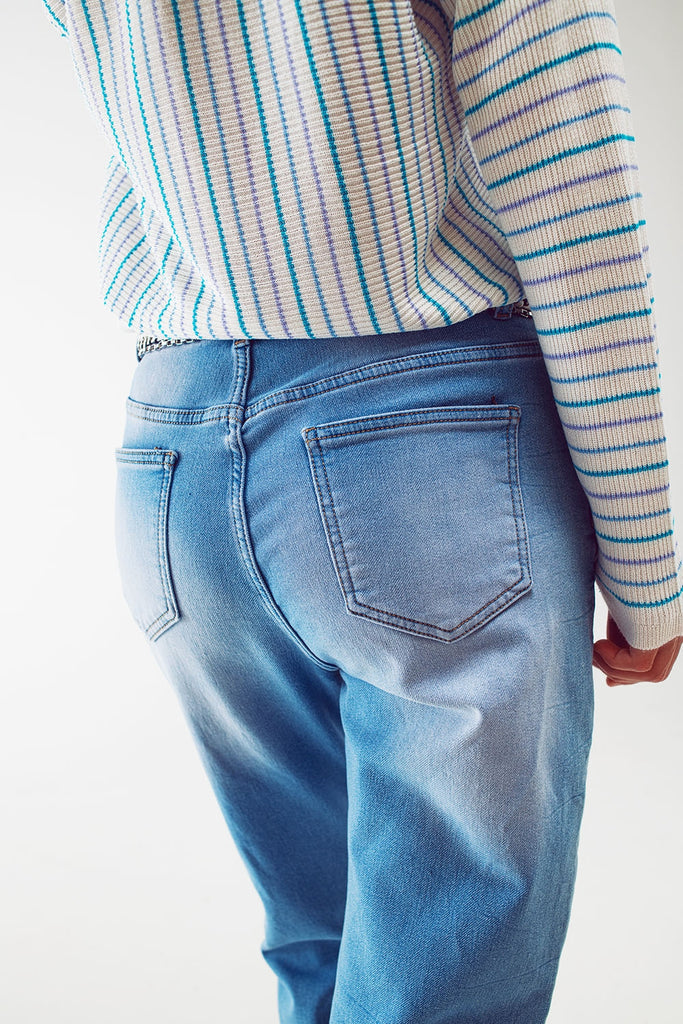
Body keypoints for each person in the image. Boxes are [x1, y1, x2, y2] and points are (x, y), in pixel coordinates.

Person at [41, 1, 682, 1021]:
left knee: (325, 952)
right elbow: (569, 176)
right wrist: (645, 567)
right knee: (442, 987)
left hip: (174, 456)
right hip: (420, 444)